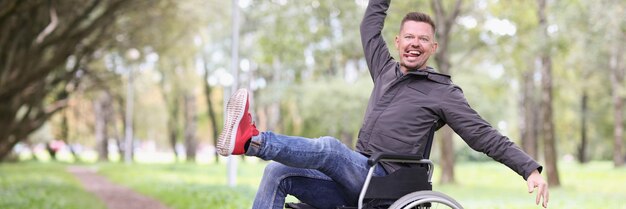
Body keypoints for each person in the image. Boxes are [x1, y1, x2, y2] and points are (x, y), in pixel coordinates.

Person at [216, 0, 549, 208]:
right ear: (398, 41)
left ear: (432, 47)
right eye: (409, 37)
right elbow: (369, 27)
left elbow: (484, 136)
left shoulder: (443, 92)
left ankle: (250, 140)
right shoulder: (385, 70)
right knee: (277, 173)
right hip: (356, 175)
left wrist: (528, 169)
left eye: (422, 39)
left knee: (331, 149)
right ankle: (251, 141)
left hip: (386, 182)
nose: (414, 44)